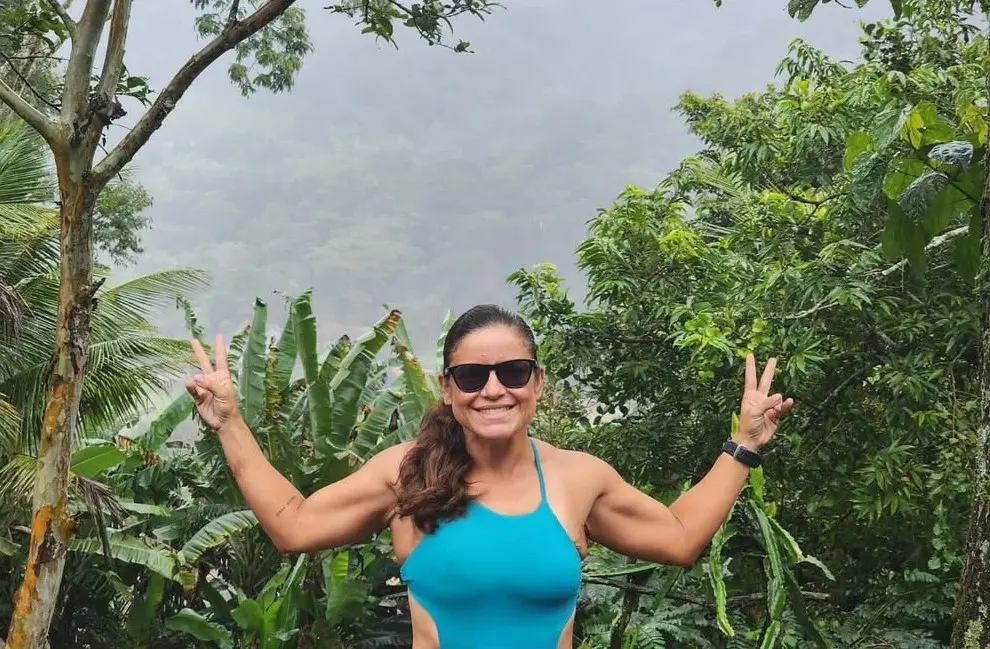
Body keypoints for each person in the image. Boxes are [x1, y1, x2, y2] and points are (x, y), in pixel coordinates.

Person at [186, 304, 793, 649]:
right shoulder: (408, 472)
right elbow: (293, 526)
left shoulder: (578, 477)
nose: (494, 389)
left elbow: (680, 538)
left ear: (537, 381)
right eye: (473, 376)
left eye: (513, 371)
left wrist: (743, 445)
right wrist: (230, 423)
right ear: (449, 388)